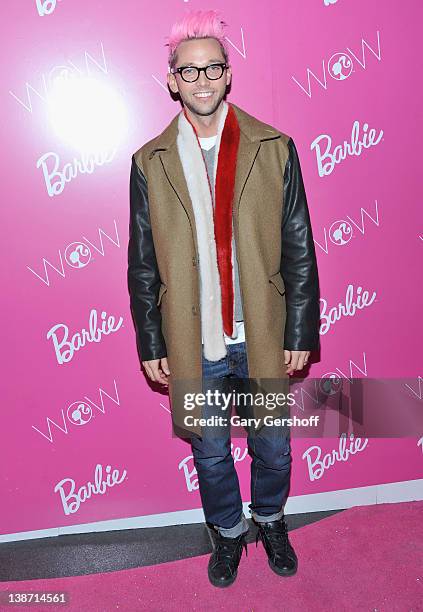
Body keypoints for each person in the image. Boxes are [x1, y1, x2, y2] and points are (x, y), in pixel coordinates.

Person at [127, 9, 320, 588]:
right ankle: (229, 533)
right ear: (172, 81)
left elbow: (300, 250)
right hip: (193, 343)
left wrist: (299, 333)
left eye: (213, 67)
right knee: (210, 455)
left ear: (229, 74)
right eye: (190, 71)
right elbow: (141, 266)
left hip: (259, 332)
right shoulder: (148, 162)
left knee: (274, 450)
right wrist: (152, 340)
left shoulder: (275, 148)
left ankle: (271, 521)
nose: (203, 80)